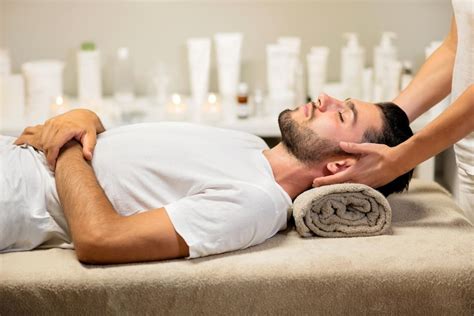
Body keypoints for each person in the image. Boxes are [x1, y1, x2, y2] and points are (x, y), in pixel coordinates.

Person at [1, 94, 413, 264]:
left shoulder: (257, 202)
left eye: (341, 114)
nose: (324, 99)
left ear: (340, 166)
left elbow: (99, 239)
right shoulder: (251, 146)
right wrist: (85, 119)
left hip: (15, 194)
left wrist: (67, 144)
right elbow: (125, 164)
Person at [313, 1, 474, 223]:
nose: (322, 98)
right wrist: (387, 121)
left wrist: (401, 160)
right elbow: (457, 47)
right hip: (468, 160)